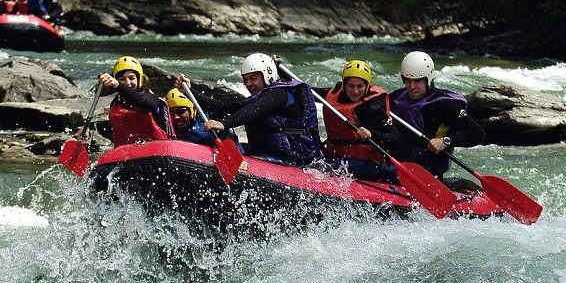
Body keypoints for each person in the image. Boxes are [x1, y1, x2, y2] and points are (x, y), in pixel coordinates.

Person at [176, 53, 322, 165]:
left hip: (294, 158)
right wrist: (189, 91)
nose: (248, 84)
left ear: (268, 75)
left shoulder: (281, 94)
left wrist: (224, 124)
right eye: (245, 79)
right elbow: (222, 108)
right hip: (269, 155)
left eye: (253, 78)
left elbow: (256, 109)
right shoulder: (260, 97)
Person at [390, 51, 485, 180]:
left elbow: (477, 133)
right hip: (396, 164)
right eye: (407, 80)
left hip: (429, 170)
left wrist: (445, 140)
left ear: (427, 79)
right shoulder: (397, 98)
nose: (411, 86)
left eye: (417, 81)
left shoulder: (444, 105)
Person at [312, 59, 398, 181]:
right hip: (335, 157)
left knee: (330, 167)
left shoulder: (373, 108)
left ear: (367, 86)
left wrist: (372, 134)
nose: (355, 91)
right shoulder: (332, 95)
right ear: (344, 85)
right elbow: (304, 90)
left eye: (360, 86)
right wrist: (277, 68)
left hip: (367, 164)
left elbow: (394, 138)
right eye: (351, 86)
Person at [98, 56, 175, 146]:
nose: (127, 83)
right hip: (127, 154)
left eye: (131, 78)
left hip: (158, 150)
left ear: (139, 80)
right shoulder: (116, 102)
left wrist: (118, 85)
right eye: (122, 79)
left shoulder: (150, 98)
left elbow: (139, 101)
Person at [164, 88, 242, 150]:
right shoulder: (167, 124)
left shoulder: (211, 124)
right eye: (171, 113)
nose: (176, 117)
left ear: (192, 110)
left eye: (180, 111)